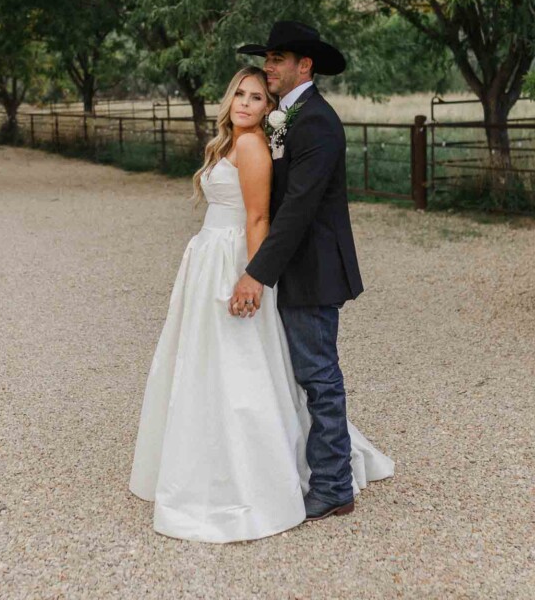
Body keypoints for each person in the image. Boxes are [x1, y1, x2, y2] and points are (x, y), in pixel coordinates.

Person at [129, 60, 392, 544]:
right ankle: (214, 459)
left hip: (241, 262)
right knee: (214, 365)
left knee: (276, 369)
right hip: (213, 258)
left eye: (257, 96)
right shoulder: (238, 139)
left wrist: (254, 276)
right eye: (241, 94)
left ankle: (321, 480)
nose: (247, 102)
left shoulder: (267, 139)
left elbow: (260, 217)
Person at [229, 21, 369, 522]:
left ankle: (333, 486)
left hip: (312, 268)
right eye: (267, 58)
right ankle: (310, 471)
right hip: (292, 264)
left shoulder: (317, 122)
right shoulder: (285, 117)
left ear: (304, 66)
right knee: (299, 373)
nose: (268, 67)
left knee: (318, 375)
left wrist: (256, 273)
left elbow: (298, 209)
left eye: (277, 59)